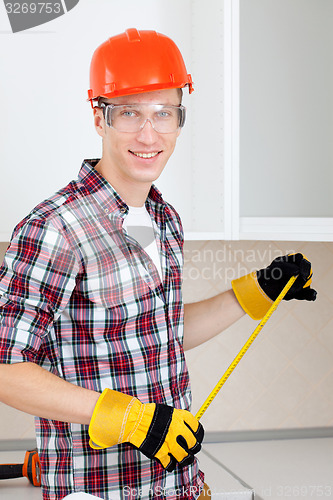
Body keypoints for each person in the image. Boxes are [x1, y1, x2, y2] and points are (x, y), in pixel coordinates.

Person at [0, 29, 316, 500]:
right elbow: (7, 369)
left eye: (163, 114)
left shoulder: (165, 219)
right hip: (99, 491)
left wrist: (256, 291)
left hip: (179, 486)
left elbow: (158, 333)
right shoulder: (56, 228)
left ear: (179, 118)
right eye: (129, 113)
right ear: (98, 117)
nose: (149, 135)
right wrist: (129, 418)